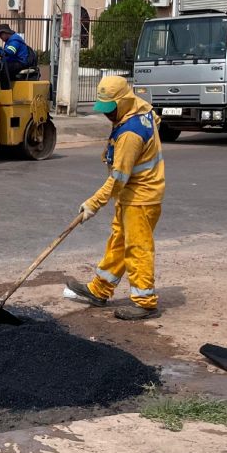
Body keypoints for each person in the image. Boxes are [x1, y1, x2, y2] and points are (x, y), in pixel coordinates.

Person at [65, 75, 166, 320]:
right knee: (119, 243)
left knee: (138, 248)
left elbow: (118, 178)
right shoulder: (137, 111)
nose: (107, 115)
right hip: (131, 195)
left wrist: (93, 204)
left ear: (123, 101)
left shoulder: (130, 133)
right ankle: (99, 290)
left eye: (111, 110)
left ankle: (145, 302)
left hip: (142, 197)